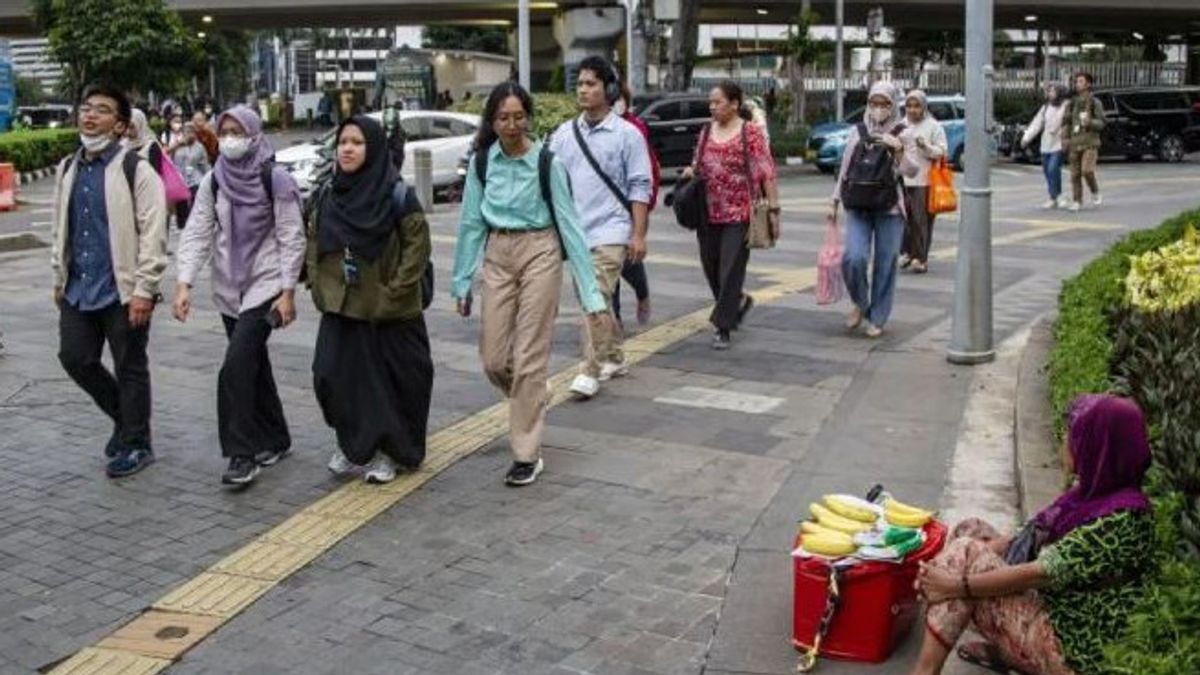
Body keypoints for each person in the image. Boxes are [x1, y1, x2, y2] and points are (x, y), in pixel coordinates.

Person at [911, 394, 1154, 675]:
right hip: (1064, 606)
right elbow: (1029, 537)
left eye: (1075, 436)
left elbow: (1038, 573)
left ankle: (924, 671)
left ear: (1098, 447)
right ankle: (1007, 650)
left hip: (1074, 648)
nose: (1066, 442)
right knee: (971, 530)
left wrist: (954, 585)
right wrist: (958, 569)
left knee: (966, 553)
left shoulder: (1121, 519)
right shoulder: (1097, 492)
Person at [452, 81, 606, 487]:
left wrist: (590, 293)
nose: (511, 124)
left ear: (528, 117)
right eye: (503, 117)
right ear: (492, 120)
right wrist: (461, 282)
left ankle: (526, 454)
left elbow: (571, 227)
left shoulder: (547, 164)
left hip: (540, 250)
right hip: (497, 253)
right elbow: (470, 223)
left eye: (519, 116)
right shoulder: (483, 163)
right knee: (493, 358)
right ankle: (532, 394)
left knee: (529, 357)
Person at [172, 105, 305, 486]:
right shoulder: (216, 180)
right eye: (224, 131)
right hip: (228, 287)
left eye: (237, 131)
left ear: (253, 133)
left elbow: (291, 236)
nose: (230, 138)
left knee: (235, 367)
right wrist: (184, 283)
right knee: (252, 363)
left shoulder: (275, 178)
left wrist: (288, 292)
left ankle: (241, 454)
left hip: (265, 284)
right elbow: (197, 231)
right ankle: (276, 437)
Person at [306, 115, 433, 484]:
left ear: (373, 149)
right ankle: (353, 444)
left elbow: (417, 246)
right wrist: (317, 283)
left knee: (387, 384)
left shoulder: (396, 194)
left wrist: (394, 292)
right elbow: (315, 239)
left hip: (385, 309)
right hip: (341, 304)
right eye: (343, 141)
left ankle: (388, 452)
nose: (347, 149)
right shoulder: (331, 191)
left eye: (357, 143)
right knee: (329, 376)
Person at [51, 84, 167, 478]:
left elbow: (154, 233)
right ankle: (126, 419)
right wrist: (58, 274)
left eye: (101, 110)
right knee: (75, 357)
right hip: (79, 287)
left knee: (130, 365)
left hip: (123, 290)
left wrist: (144, 288)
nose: (89, 115)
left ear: (119, 125)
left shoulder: (136, 169)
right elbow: (59, 226)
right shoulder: (68, 167)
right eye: (86, 108)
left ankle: (137, 443)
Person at [548, 56, 652, 397]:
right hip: (576, 233)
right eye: (579, 84)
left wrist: (637, 234)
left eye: (591, 83)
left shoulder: (628, 135)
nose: (583, 90)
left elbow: (640, 186)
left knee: (595, 295)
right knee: (593, 299)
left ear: (608, 89)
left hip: (612, 229)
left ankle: (589, 370)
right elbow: (551, 181)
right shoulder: (564, 134)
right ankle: (615, 354)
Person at [682, 80, 781, 350]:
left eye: (718, 102)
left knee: (730, 269)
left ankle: (722, 326)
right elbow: (698, 163)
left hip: (740, 213)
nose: (712, 107)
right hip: (707, 213)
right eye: (711, 103)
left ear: (735, 104)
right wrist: (690, 172)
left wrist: (774, 209)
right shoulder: (705, 131)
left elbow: (766, 171)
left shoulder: (751, 133)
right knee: (711, 268)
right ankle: (736, 301)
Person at [828, 82, 916, 339]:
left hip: (890, 207)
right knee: (853, 259)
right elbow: (845, 167)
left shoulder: (904, 132)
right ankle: (860, 302)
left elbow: (912, 171)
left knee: (885, 264)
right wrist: (833, 201)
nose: (878, 109)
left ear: (893, 106)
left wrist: (898, 149)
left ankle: (877, 317)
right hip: (858, 203)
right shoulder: (858, 130)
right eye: (874, 103)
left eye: (884, 103)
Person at [611, 81, 659, 328]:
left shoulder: (635, 129)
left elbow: (648, 173)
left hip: (630, 208)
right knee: (607, 265)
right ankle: (614, 318)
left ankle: (642, 293)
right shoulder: (587, 128)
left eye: (620, 97)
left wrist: (643, 210)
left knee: (628, 260)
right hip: (602, 212)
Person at [898, 89, 948, 275]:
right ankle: (908, 252)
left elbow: (942, 151)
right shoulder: (901, 125)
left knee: (921, 220)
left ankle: (921, 257)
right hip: (902, 178)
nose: (912, 110)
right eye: (909, 106)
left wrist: (924, 146)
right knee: (904, 219)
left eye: (916, 106)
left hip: (924, 180)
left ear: (924, 107)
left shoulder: (933, 126)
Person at [1022, 83, 1069, 210]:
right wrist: (1026, 138)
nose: (1050, 94)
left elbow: (1068, 121)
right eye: (1049, 91)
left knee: (1053, 169)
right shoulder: (1046, 107)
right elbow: (1037, 123)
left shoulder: (1066, 106)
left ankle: (1059, 196)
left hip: (1059, 143)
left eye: (1053, 91)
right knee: (1047, 171)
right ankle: (1053, 197)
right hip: (1046, 143)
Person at [1064, 72, 1105, 213]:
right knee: (1074, 174)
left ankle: (1095, 191)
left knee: (1087, 170)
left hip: (1090, 142)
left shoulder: (1095, 102)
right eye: (1076, 82)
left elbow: (1102, 123)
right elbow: (1067, 122)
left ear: (1088, 84)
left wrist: (1090, 122)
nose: (1077, 84)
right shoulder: (1072, 102)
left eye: (1081, 81)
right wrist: (1065, 138)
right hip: (1075, 142)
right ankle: (1077, 201)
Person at [171, 122, 211, 227]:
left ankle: (195, 223)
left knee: (195, 200)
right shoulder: (177, 145)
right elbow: (168, 157)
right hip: (180, 179)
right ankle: (182, 224)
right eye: (186, 132)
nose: (188, 134)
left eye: (191, 132)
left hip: (195, 178)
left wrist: (208, 179)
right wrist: (177, 145)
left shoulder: (199, 147)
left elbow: (205, 165)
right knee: (181, 208)